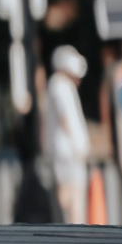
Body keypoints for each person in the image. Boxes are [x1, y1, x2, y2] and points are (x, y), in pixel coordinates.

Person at [46, 45, 92, 224]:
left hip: (64, 150)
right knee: (73, 198)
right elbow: (67, 119)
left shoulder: (56, 84)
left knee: (66, 195)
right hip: (69, 152)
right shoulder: (61, 85)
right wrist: (79, 146)